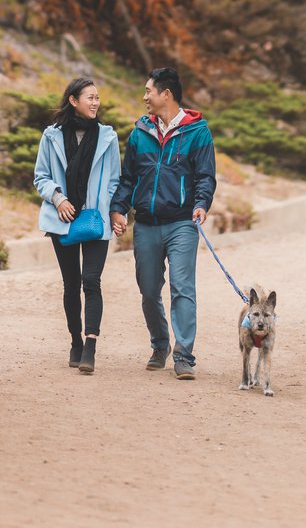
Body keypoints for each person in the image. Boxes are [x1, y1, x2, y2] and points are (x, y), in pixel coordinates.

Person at [110, 66, 217, 380]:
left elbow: (205, 176)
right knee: (148, 289)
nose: (144, 97)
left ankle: (184, 356)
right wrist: (119, 208)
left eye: (148, 91)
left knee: (183, 289)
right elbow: (128, 177)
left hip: (183, 222)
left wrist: (201, 204)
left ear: (165, 94)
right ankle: (160, 344)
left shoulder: (197, 131)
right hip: (145, 223)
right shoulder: (140, 132)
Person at [33, 75, 121, 375]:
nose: (96, 102)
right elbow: (40, 177)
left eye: (98, 98)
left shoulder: (108, 137)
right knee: (71, 285)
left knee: (91, 281)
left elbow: (114, 181)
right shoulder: (51, 136)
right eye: (90, 97)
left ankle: (90, 347)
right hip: (63, 221)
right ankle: (74, 341)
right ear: (74, 100)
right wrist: (58, 199)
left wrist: (110, 211)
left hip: (96, 221)